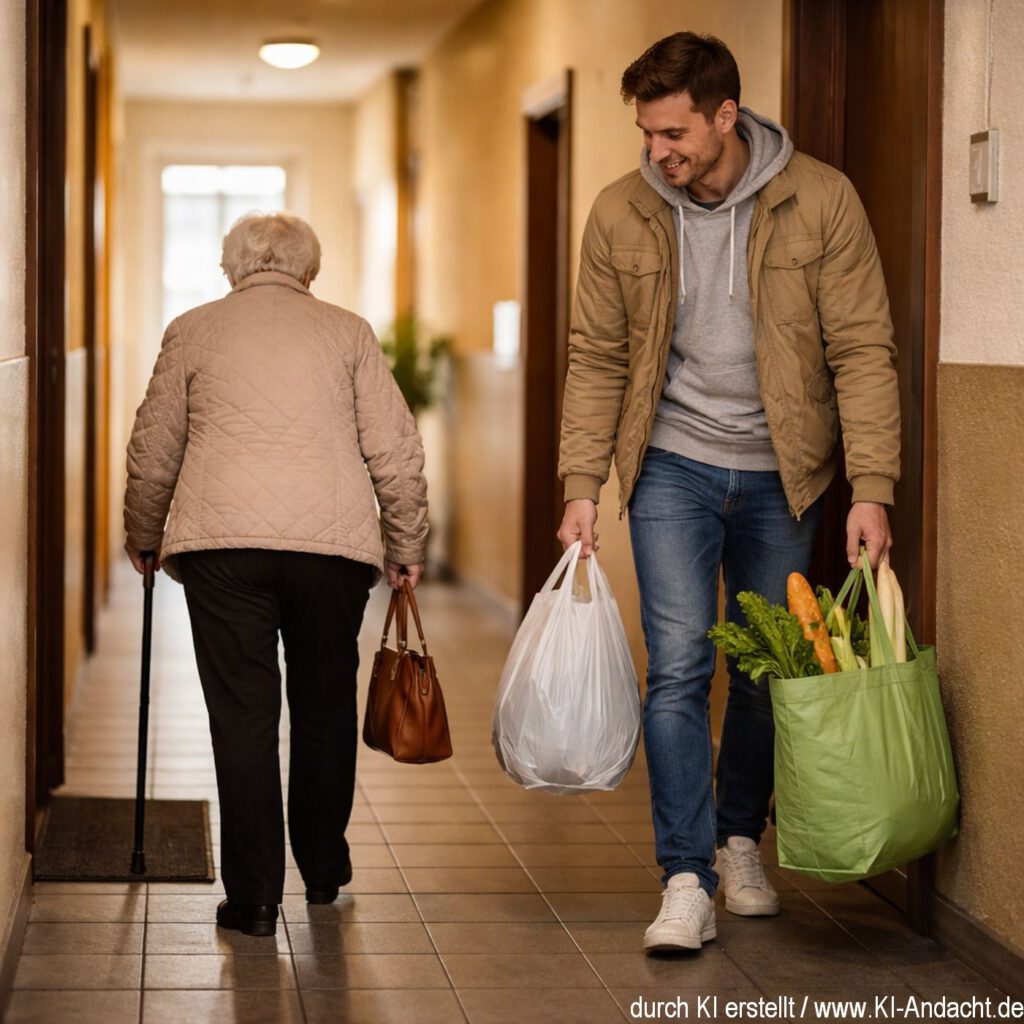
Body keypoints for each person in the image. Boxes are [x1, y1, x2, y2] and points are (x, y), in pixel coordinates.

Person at [557, 32, 900, 953]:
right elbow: (596, 356)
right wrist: (582, 483)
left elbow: (862, 348)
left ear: (725, 115)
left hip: (787, 470)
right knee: (677, 664)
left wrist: (871, 486)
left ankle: (739, 837)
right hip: (670, 461)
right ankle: (685, 876)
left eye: (673, 133)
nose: (657, 151)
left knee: (762, 667)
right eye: (647, 134)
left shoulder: (820, 200)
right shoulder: (622, 211)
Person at [124, 212, 428, 938]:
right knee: (324, 709)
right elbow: (395, 448)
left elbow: (154, 447)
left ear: (231, 268)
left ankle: (255, 896)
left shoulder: (192, 330)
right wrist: (406, 541)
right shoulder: (348, 332)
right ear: (309, 271)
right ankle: (322, 869)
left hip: (223, 551)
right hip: (331, 554)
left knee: (243, 717)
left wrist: (144, 532)